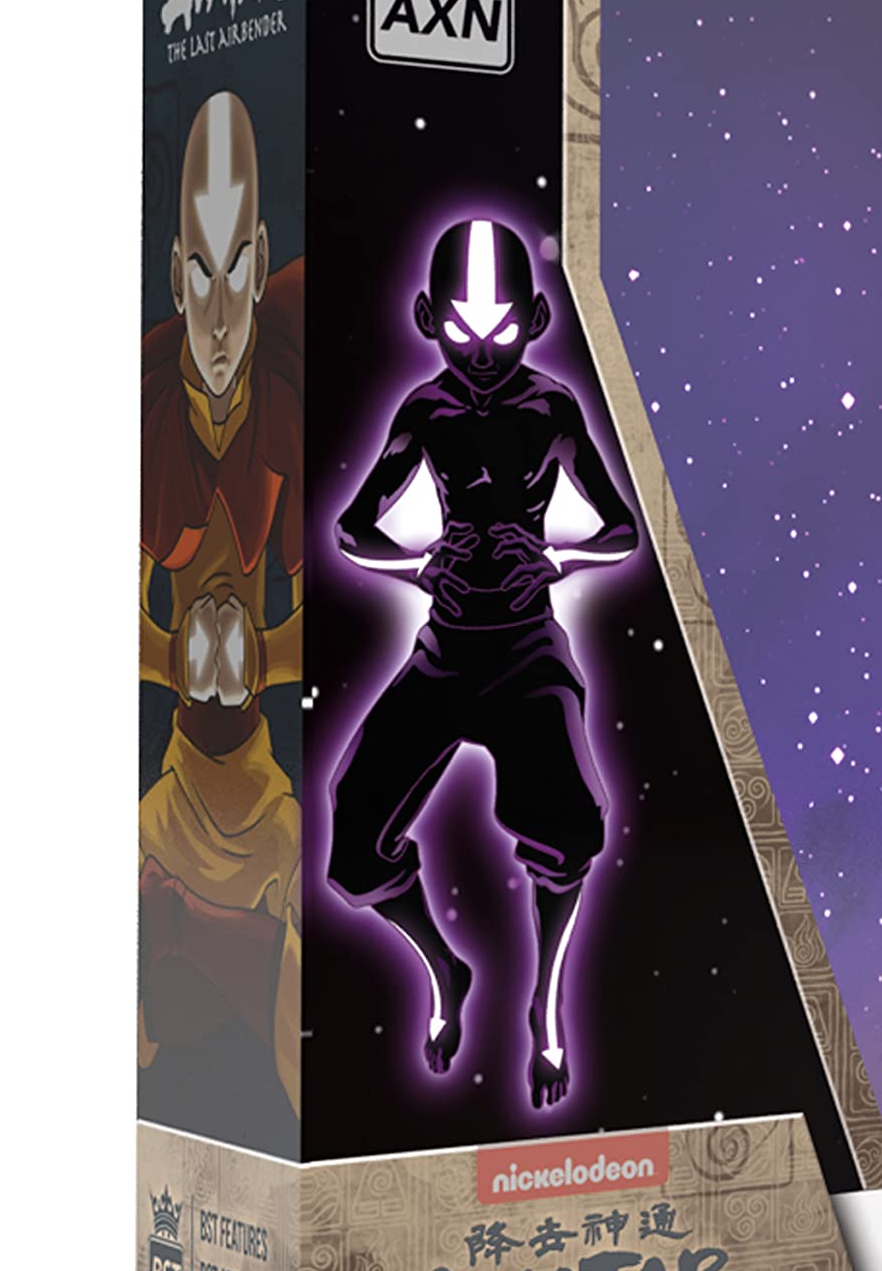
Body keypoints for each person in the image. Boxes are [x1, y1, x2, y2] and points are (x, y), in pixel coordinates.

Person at [328, 217, 638, 1109]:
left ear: (535, 320)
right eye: (462, 329)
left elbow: (621, 529)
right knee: (354, 837)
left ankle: (545, 1015)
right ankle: (444, 970)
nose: (482, 351)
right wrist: (419, 565)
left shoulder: (553, 409)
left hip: (528, 651)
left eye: (501, 329)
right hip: (444, 650)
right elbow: (352, 529)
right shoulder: (424, 412)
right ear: (428, 319)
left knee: (570, 831)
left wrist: (559, 558)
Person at [138, 90, 305, 1116]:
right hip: (174, 792)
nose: (217, 316)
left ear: (263, 256)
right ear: (174, 276)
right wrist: (180, 656)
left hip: (262, 790)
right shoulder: (142, 398)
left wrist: (255, 660)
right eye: (199, 276)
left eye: (237, 270)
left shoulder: (291, 388)